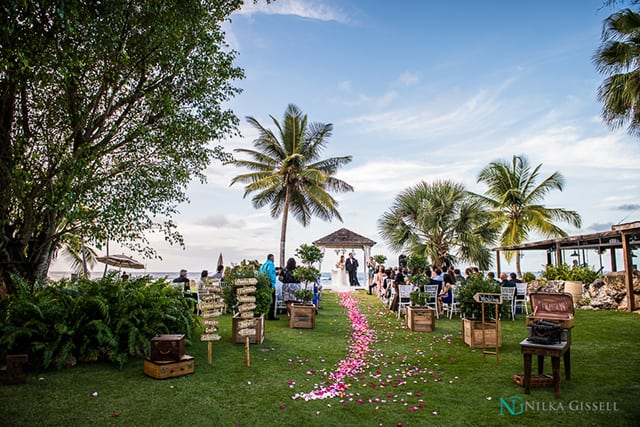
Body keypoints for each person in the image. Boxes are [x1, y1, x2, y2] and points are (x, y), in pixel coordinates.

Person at [260, 254, 279, 320]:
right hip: (270, 283)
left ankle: (264, 314)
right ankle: (271, 316)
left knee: (266, 299)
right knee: (272, 300)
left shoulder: (263, 265)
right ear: (271, 258)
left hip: (264, 283)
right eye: (273, 258)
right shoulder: (271, 264)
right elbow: (270, 273)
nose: (274, 259)